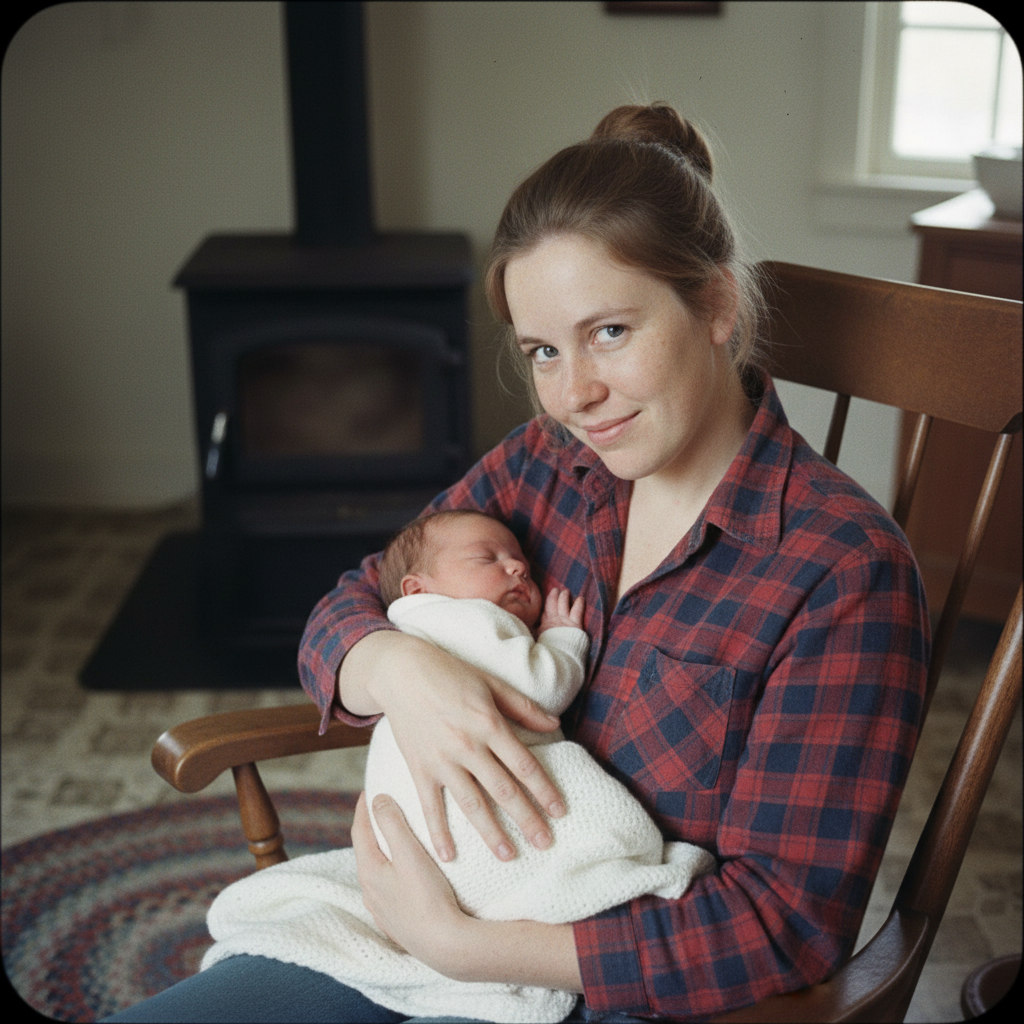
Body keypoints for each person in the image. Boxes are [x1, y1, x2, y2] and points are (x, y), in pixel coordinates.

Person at [105, 102, 929, 1023]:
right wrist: (403, 668)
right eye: (543, 349)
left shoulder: (839, 570)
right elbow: (360, 598)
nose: (574, 393)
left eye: (609, 331)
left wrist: (461, 948)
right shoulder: (553, 464)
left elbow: (785, 927)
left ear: (717, 305)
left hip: (609, 987)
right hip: (420, 921)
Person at [198, 508, 714, 1023]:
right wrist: (562, 639)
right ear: (417, 590)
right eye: (486, 559)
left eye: (524, 566)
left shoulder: (430, 614)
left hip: (427, 888)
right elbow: (541, 688)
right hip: (459, 862)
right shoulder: (463, 619)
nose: (517, 569)